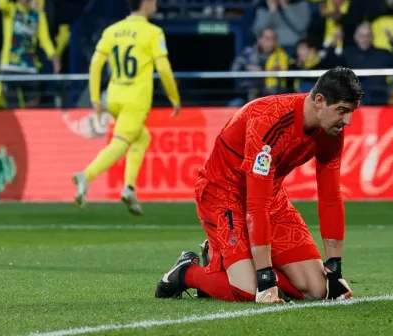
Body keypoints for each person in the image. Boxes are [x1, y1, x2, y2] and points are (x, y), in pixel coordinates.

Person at [154, 68, 362, 303]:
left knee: (317, 290)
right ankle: (185, 273)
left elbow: (330, 198)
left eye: (351, 112)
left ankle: (230, 263)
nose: (348, 121)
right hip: (223, 194)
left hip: (269, 195)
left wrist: (335, 268)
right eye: (342, 111)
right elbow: (256, 204)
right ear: (320, 101)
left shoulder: (331, 132)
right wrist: (265, 276)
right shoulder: (269, 120)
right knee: (248, 291)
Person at [71, 0, 181, 216]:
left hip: (114, 96)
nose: (156, 5)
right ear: (147, 3)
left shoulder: (113, 30)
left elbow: (95, 64)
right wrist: (174, 97)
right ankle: (86, 176)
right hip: (135, 99)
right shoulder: (153, 32)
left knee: (142, 137)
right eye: (154, 0)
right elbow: (163, 68)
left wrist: (95, 99)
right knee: (120, 143)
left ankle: (129, 188)